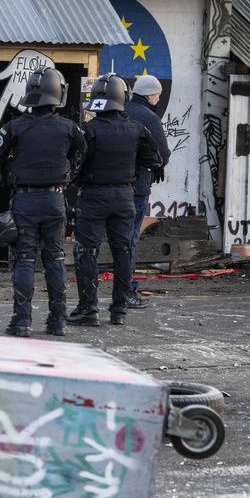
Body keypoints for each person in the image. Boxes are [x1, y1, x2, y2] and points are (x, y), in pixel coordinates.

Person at [0, 67, 85, 337]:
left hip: (25, 201)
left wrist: (9, 165)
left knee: (25, 260)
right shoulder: (70, 128)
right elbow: (83, 154)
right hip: (55, 201)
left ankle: (22, 322)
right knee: (56, 258)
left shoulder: (14, 127)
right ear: (58, 94)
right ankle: (58, 321)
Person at [68, 74, 162, 327]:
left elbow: (73, 167)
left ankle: (88, 308)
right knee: (124, 251)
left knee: (87, 251)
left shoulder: (87, 130)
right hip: (124, 197)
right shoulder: (137, 129)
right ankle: (119, 309)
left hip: (93, 197)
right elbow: (155, 160)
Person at [123, 74, 171, 308]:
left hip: (112, 185)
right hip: (138, 186)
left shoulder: (120, 110)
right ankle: (127, 289)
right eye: (158, 95)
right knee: (130, 240)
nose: (159, 99)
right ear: (150, 95)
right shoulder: (149, 117)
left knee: (117, 239)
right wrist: (157, 166)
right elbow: (163, 154)